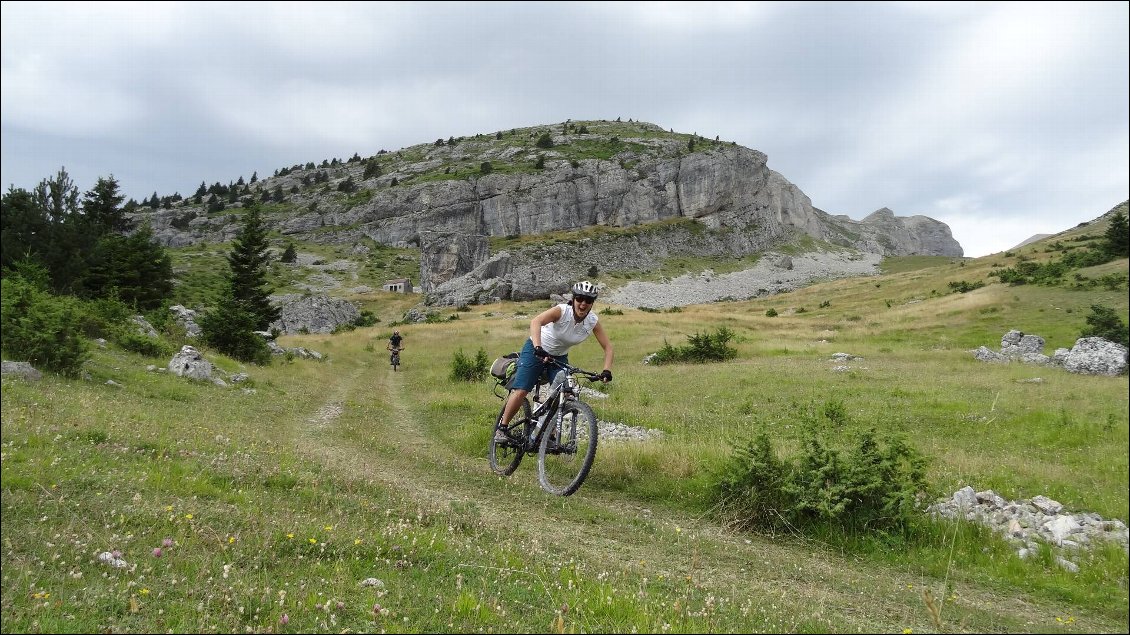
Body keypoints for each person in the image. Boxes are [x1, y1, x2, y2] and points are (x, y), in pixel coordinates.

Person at [494, 281, 613, 442]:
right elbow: (536, 321)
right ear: (573, 299)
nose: (583, 304)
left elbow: (608, 347)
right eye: (579, 299)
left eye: (588, 300)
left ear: (592, 303)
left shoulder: (592, 321)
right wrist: (537, 346)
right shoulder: (562, 312)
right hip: (536, 349)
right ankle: (502, 428)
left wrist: (606, 370)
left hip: (559, 356)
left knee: (565, 390)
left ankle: (546, 428)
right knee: (522, 390)